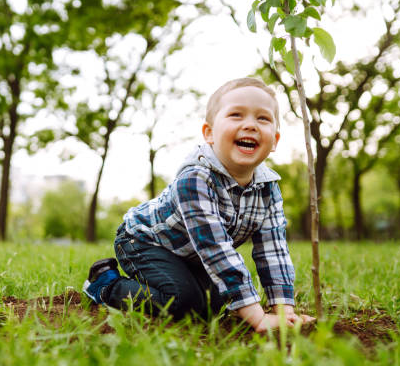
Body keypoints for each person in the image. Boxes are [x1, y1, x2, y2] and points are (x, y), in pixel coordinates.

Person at [82, 77, 315, 332]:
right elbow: (214, 249)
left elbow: (273, 250)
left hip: (191, 256)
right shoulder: (195, 178)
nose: (250, 125)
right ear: (209, 134)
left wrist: (283, 311)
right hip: (145, 242)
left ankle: (192, 293)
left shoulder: (268, 188)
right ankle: (105, 284)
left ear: (275, 140)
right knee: (182, 301)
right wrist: (257, 318)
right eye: (236, 115)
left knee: (213, 305)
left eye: (263, 118)